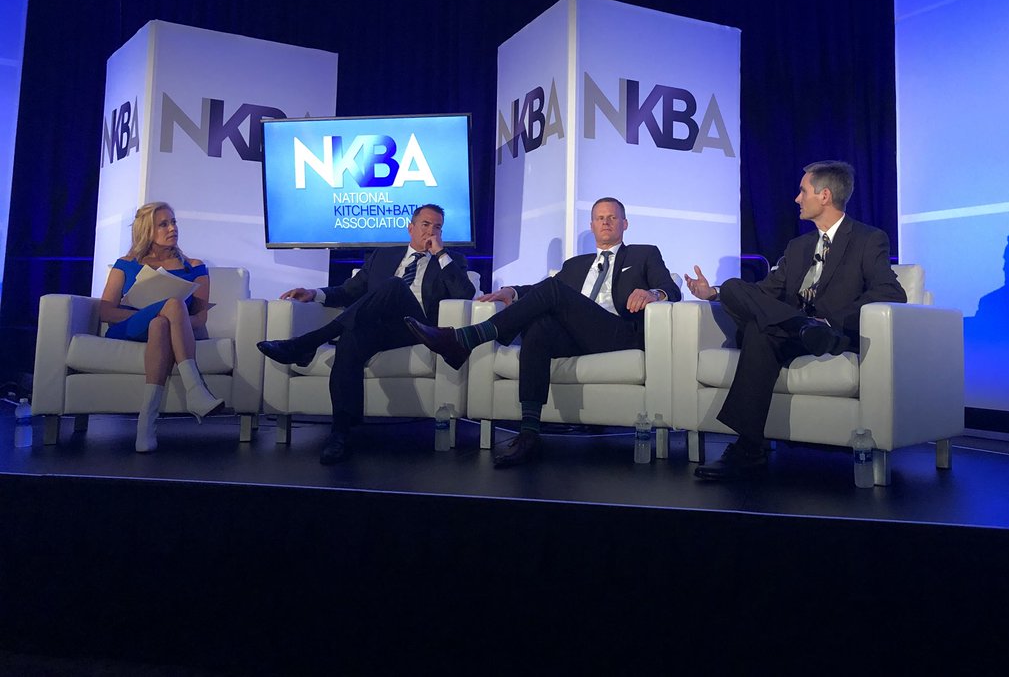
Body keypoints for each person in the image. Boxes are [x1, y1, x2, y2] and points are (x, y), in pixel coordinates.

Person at [407, 197, 681, 468]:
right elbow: (541, 291)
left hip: (618, 332)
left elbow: (672, 289)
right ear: (592, 226)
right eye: (600, 218)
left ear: (625, 223)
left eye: (612, 217)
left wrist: (653, 293)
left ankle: (468, 338)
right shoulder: (576, 264)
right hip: (579, 335)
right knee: (540, 327)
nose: (606, 222)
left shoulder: (644, 254)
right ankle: (529, 433)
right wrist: (512, 291)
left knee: (553, 291)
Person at [684, 160, 906, 480]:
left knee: (761, 331)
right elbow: (765, 293)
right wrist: (713, 293)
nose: (797, 198)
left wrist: (830, 323)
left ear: (824, 196)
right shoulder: (798, 246)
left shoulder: (868, 239)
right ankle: (800, 326)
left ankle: (749, 449)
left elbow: (891, 291)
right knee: (733, 288)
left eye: (803, 191)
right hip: (795, 332)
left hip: (830, 334)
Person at [257, 204, 475, 465]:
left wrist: (439, 253)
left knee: (394, 285)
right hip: (379, 328)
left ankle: (307, 343)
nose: (431, 232)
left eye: (437, 227)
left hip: (417, 328)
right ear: (411, 228)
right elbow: (349, 291)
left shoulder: (451, 261)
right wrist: (315, 293)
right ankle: (340, 433)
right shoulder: (383, 256)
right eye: (426, 225)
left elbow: (465, 294)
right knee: (351, 337)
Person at [99, 202, 223, 453]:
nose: (172, 228)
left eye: (173, 222)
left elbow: (200, 318)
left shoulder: (195, 267)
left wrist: (172, 317)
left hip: (169, 329)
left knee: (161, 323)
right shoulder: (125, 264)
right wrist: (154, 310)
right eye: (163, 224)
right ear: (147, 230)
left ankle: (146, 423)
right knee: (172, 305)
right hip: (131, 326)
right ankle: (195, 390)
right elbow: (106, 312)